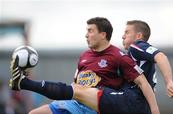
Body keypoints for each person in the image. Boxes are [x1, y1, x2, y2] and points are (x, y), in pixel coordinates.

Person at [9, 17, 160, 114]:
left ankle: (24, 83)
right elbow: (74, 85)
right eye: (86, 31)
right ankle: (23, 82)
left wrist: (154, 109)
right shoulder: (84, 56)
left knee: (79, 90)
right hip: (75, 102)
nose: (86, 35)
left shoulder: (119, 56)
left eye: (90, 31)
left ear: (103, 34)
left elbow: (142, 81)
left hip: (95, 107)